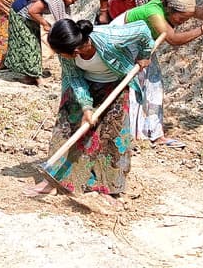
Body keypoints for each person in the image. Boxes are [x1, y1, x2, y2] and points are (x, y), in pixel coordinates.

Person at [23, 19, 156, 205]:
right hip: (84, 83)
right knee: (66, 128)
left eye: (60, 53)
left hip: (115, 84)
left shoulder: (110, 38)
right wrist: (86, 107)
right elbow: (75, 77)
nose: (58, 56)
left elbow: (142, 28)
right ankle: (55, 180)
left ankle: (107, 188)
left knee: (112, 135)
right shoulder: (66, 53)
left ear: (75, 50)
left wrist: (144, 54)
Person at [115, 0, 203, 147]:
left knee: (154, 85)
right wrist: (202, 30)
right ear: (170, 10)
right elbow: (173, 39)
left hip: (144, 43)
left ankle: (155, 134)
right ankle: (131, 136)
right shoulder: (154, 13)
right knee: (134, 87)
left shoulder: (176, 5)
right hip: (124, 41)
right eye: (180, 20)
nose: (181, 23)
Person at [3, 0, 83, 83]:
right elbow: (32, 11)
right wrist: (45, 24)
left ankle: (31, 75)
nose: (73, 3)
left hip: (31, 16)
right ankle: (34, 77)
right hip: (20, 13)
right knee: (29, 45)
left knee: (35, 45)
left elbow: (66, 19)